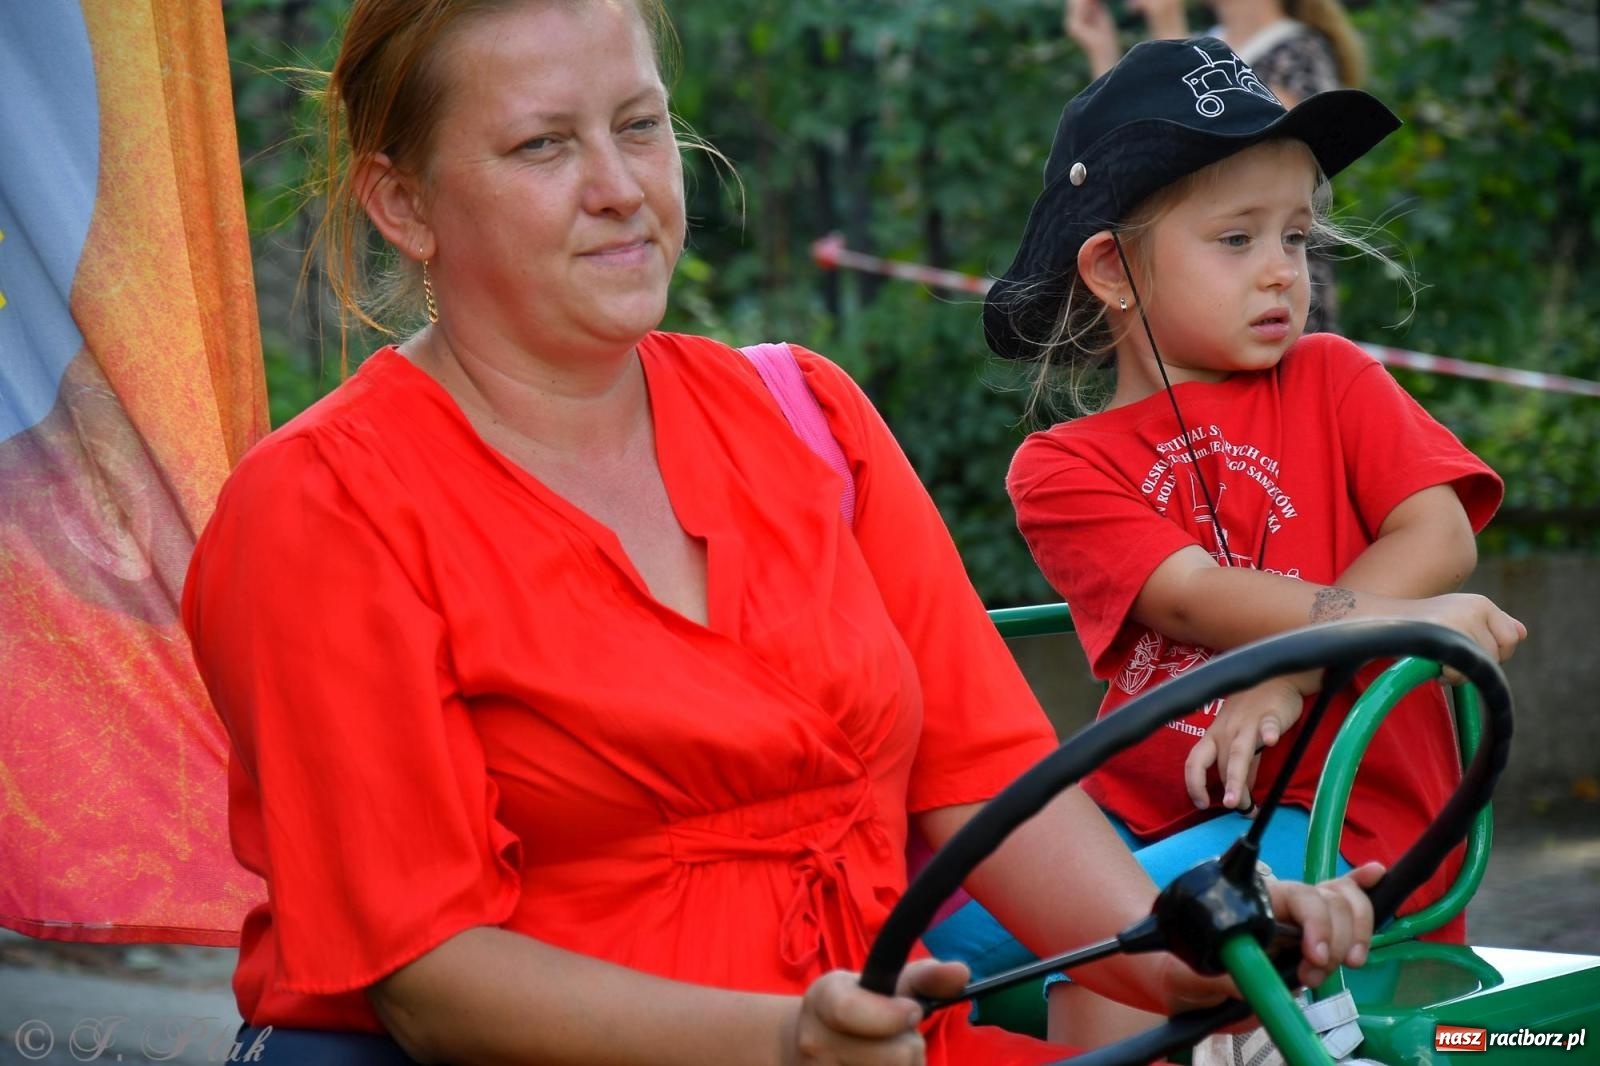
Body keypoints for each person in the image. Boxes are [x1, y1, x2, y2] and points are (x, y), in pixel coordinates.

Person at [181, 4, 1384, 1064]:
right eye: (543, 144)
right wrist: (781, 1039)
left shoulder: (803, 413)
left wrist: (1175, 950)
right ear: (402, 202)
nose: (620, 185)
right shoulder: (323, 507)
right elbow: (430, 982)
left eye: (640, 126)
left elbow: (986, 782)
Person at [966, 34, 1526, 1048]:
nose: (1281, 271)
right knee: (906, 921)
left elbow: (1437, 528)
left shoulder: (1331, 378)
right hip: (1142, 820)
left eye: (1296, 238)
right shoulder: (1061, 464)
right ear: (1111, 271)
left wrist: (1293, 677)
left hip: (1341, 824)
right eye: (1237, 240)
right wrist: (1351, 639)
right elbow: (1187, 597)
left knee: (1113, 941)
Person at [1064, 0, 1367, 334]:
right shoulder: (1208, 43)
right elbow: (1130, 164)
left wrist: (1169, 29)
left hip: (1273, 319)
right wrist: (1103, 52)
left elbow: (1257, 178)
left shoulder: (1299, 51)